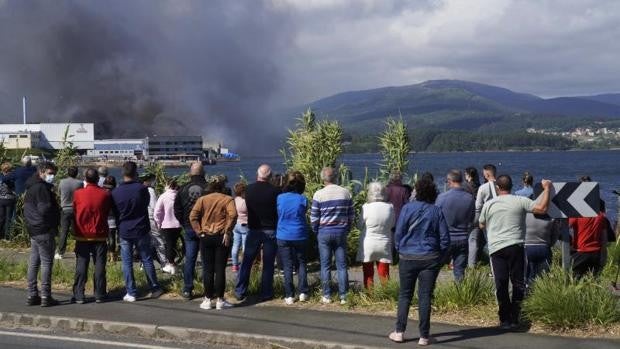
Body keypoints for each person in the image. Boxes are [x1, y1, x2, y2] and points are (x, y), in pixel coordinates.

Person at [479, 175, 551, 329]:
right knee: (518, 282)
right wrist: (547, 189)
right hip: (516, 246)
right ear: (511, 186)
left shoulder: (489, 204)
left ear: (498, 188)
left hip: (496, 248)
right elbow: (542, 208)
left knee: (501, 283)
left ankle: (504, 318)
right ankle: (515, 316)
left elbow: (481, 224)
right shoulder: (520, 200)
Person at [388, 178, 449, 346]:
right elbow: (445, 239)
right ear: (433, 193)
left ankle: (399, 332)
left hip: (407, 256)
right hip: (430, 257)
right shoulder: (436, 211)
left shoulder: (407, 208)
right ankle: (424, 336)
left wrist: (400, 249)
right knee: (425, 296)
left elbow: (398, 233)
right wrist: (440, 258)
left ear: (417, 192)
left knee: (405, 295)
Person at [111, 161, 163, 302]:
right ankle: (154, 287)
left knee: (127, 262)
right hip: (141, 228)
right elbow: (146, 204)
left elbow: (115, 212)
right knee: (146, 259)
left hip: (124, 229)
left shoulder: (115, 192)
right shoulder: (142, 189)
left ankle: (131, 292)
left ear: (123, 173)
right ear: (135, 173)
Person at [235, 164, 281, 302]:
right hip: (271, 230)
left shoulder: (248, 190)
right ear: (270, 176)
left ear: (257, 175)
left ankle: (240, 290)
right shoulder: (276, 191)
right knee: (268, 263)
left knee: (247, 261)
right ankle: (266, 292)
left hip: (254, 229)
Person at [190, 179, 237, 310]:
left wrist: (199, 231)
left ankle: (207, 299)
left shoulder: (202, 200)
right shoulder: (227, 199)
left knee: (208, 269)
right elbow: (233, 215)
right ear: (222, 187)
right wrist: (227, 231)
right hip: (222, 236)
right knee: (220, 269)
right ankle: (220, 300)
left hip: (206, 236)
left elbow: (193, 216)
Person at [311, 167, 354, 305]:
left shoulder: (318, 194)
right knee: (342, 265)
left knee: (325, 265)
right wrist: (347, 228)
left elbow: (314, 217)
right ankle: (344, 296)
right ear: (336, 177)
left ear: (323, 178)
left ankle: (327, 295)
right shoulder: (345, 192)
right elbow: (351, 215)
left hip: (324, 231)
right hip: (340, 231)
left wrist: (316, 230)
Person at [72, 168, 113, 303]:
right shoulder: (105, 194)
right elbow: (107, 211)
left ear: (85, 179)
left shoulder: (78, 194)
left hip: (82, 234)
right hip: (100, 232)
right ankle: (100, 293)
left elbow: (74, 210)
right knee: (100, 264)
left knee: (81, 264)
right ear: (97, 179)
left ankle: (79, 294)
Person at [24, 162, 61, 307]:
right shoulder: (41, 189)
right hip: (44, 229)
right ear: (41, 172)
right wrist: (54, 218)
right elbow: (44, 209)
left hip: (33, 229)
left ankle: (32, 294)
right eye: (50, 173)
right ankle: (46, 295)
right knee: (46, 263)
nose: (52, 176)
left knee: (34, 263)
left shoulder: (31, 187)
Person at [174, 161, 209, 300]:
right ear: (203, 173)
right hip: (205, 228)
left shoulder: (182, 189)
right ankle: (208, 290)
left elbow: (176, 209)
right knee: (206, 260)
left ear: (190, 173)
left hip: (189, 228)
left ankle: (187, 289)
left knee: (190, 259)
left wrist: (184, 223)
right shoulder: (208, 188)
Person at [276, 171, 310, 305]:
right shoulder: (303, 199)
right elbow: (303, 212)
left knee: (287, 265)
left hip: (283, 234)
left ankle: (289, 295)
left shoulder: (279, 198)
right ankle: (303, 292)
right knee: (301, 263)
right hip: (299, 234)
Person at [435, 169, 475, 282]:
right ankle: (460, 295)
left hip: (445, 237)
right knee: (459, 271)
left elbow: (436, 218)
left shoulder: (442, 198)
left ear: (449, 181)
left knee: (434, 268)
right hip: (462, 237)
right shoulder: (469, 198)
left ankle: (429, 294)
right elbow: (471, 219)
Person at [356, 181, 395, 289]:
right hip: (384, 243)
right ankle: (385, 295)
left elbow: (359, 226)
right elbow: (392, 224)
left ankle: (369, 294)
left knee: (368, 272)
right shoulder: (390, 207)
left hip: (368, 243)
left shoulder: (366, 207)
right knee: (384, 272)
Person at [469, 164, 497, 267]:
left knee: (485, 241)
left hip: (487, 218)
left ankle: (474, 265)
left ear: (486, 174)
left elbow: (478, 206)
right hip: (500, 216)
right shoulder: (501, 184)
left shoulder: (483, 188)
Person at [524, 214, 562, 286]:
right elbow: (555, 234)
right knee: (543, 278)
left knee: (526, 275)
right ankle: (539, 293)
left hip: (527, 248)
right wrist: (549, 245)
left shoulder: (524, 214)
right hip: (544, 248)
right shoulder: (551, 216)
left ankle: (527, 292)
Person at [154, 179, 182, 275]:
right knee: (173, 245)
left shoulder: (163, 196)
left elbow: (157, 212)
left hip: (166, 224)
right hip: (178, 225)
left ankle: (171, 265)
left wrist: (158, 223)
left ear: (167, 186)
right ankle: (172, 263)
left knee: (168, 245)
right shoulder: (179, 195)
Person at [55, 166, 84, 260]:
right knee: (78, 232)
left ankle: (61, 252)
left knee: (64, 231)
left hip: (65, 209)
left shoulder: (62, 182)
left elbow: (58, 193)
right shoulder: (80, 183)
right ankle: (79, 251)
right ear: (76, 173)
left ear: (68, 172)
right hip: (76, 209)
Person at [142, 173, 166, 267]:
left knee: (147, 242)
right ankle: (164, 263)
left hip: (143, 218)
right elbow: (154, 207)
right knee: (159, 241)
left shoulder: (141, 189)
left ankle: (143, 263)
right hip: (151, 218)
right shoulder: (150, 190)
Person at [231, 182, 248, 273]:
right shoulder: (245, 201)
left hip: (235, 224)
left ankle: (234, 264)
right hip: (245, 224)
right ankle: (244, 263)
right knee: (245, 245)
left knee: (235, 244)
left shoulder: (233, 200)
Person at [102, 176, 119, 262]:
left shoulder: (102, 192)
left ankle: (106, 254)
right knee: (112, 237)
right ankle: (112, 255)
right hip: (113, 217)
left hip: (103, 217)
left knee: (104, 238)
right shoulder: (116, 192)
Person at [0, 162, 17, 240]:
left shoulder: (0, 177)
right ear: (8, 169)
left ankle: (1, 234)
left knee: (1, 217)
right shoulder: (11, 177)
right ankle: (7, 236)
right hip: (10, 199)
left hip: (1, 199)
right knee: (8, 218)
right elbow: (14, 189)